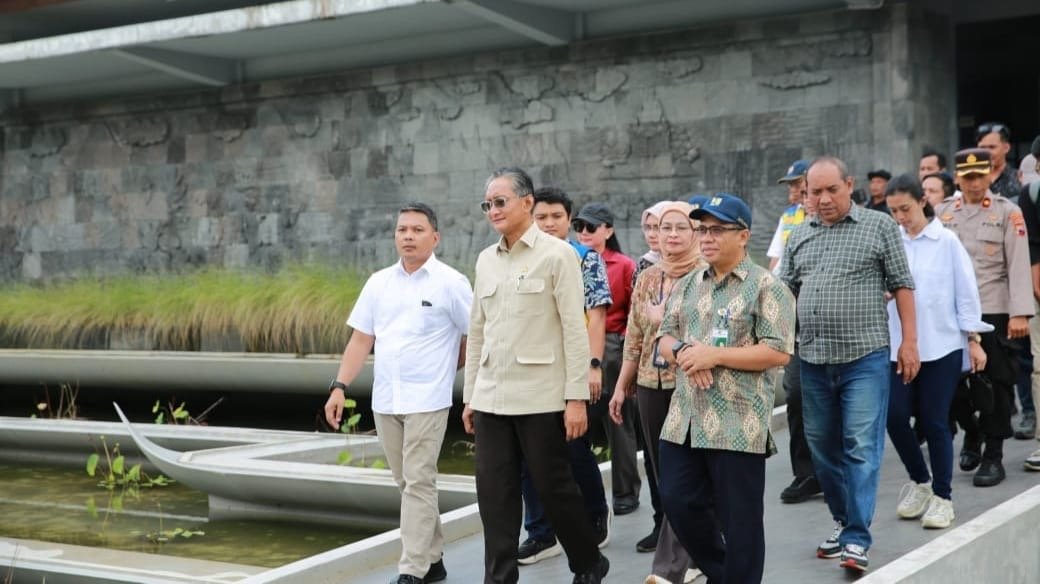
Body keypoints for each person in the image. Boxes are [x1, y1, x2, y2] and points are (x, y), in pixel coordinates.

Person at [462, 167, 609, 584]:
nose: (493, 210)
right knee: (494, 494)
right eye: (487, 204)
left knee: (555, 488)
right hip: (491, 396)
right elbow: (478, 331)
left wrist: (576, 397)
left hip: (541, 397)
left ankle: (588, 561)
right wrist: (471, 395)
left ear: (527, 203)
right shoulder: (485, 260)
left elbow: (573, 330)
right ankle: (500, 578)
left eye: (500, 202)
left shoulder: (557, 254)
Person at [781, 156, 919, 573]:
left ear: (849, 186)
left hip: (865, 358)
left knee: (861, 446)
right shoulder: (798, 235)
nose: (822, 199)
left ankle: (857, 538)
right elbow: (785, 293)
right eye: (814, 192)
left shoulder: (878, 227)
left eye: (830, 190)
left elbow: (902, 285)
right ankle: (844, 523)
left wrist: (909, 342)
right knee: (822, 449)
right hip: (813, 359)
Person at [323, 202, 472, 584]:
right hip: (386, 399)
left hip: (429, 399)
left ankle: (413, 570)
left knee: (419, 480)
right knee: (407, 483)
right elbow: (360, 340)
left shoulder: (451, 283)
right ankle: (434, 559)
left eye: (417, 230)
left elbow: (476, 336)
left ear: (434, 237)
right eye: (402, 229)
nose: (408, 235)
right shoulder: (378, 283)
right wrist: (340, 386)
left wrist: (450, 373)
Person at [656, 193, 796, 584]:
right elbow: (664, 338)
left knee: (741, 523)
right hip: (684, 417)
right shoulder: (688, 284)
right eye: (702, 229)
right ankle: (724, 574)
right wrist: (687, 352)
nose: (707, 237)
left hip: (737, 423)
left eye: (718, 229)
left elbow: (778, 351)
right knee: (678, 501)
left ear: (744, 235)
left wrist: (714, 357)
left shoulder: (768, 287)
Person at [882, 174, 992, 530]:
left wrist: (973, 338)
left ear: (922, 202)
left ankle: (943, 497)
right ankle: (921, 481)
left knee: (934, 420)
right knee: (895, 416)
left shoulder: (946, 241)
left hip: (942, 345)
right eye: (893, 210)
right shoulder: (890, 242)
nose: (900, 216)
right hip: (898, 346)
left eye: (906, 208)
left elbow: (965, 292)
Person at [516, 186, 613, 565]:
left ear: (569, 221)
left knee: (574, 448)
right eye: (541, 217)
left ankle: (594, 514)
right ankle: (540, 533)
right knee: (528, 455)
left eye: (557, 217)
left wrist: (592, 366)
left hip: (572, 369)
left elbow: (597, 316)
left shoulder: (584, 257)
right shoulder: (522, 257)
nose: (549, 223)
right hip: (531, 372)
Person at [609, 200, 702, 584]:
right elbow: (635, 335)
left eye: (681, 227)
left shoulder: (705, 275)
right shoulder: (648, 277)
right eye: (665, 228)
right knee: (664, 474)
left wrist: (667, 320)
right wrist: (621, 385)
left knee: (685, 475)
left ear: (696, 232)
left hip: (692, 384)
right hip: (650, 383)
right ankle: (697, 549)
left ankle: (669, 568)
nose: (672, 235)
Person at [937, 148, 1033, 487]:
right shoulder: (942, 213)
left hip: (994, 310)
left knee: (998, 385)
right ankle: (972, 432)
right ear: (958, 178)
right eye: (967, 177)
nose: (974, 182)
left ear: (990, 175)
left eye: (980, 175)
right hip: (951, 314)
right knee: (950, 387)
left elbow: (1018, 264)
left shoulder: (1009, 213)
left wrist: (1020, 312)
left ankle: (993, 455)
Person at [574, 201, 642, 516]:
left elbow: (634, 312)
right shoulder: (569, 258)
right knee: (576, 425)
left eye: (592, 227)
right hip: (576, 345)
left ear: (608, 230)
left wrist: (628, 350)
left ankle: (625, 492)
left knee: (619, 421)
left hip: (614, 345)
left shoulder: (624, 265)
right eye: (580, 227)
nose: (585, 232)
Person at [767, 160, 822, 505]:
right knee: (798, 397)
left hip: (831, 324)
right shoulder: (789, 219)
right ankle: (806, 474)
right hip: (796, 324)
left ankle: (835, 474)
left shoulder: (842, 220)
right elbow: (774, 266)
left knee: (833, 403)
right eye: (791, 187)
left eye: (798, 185)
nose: (793, 193)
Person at [767, 159, 809, 274]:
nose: (792, 189)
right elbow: (776, 255)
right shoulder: (788, 216)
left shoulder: (825, 214)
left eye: (797, 183)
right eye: (790, 185)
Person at [976, 122, 1021, 201]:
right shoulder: (969, 180)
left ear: (1006, 148)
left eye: (992, 147)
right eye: (982, 148)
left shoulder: (1019, 179)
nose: (987, 152)